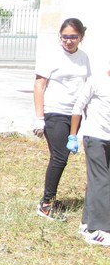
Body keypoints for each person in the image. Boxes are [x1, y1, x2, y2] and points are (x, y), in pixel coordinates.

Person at [33, 17, 91, 220]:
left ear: (81, 37)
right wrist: (39, 118)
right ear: (60, 36)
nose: (68, 41)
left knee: (63, 157)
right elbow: (39, 85)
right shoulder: (52, 56)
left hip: (74, 114)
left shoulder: (83, 58)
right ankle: (46, 204)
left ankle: (50, 198)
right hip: (54, 112)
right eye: (65, 37)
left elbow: (86, 87)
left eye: (73, 37)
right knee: (60, 157)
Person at [69, 63, 110, 245]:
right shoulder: (97, 82)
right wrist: (73, 135)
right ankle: (98, 229)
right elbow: (78, 107)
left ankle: (86, 223)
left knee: (98, 181)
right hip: (96, 137)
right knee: (101, 180)